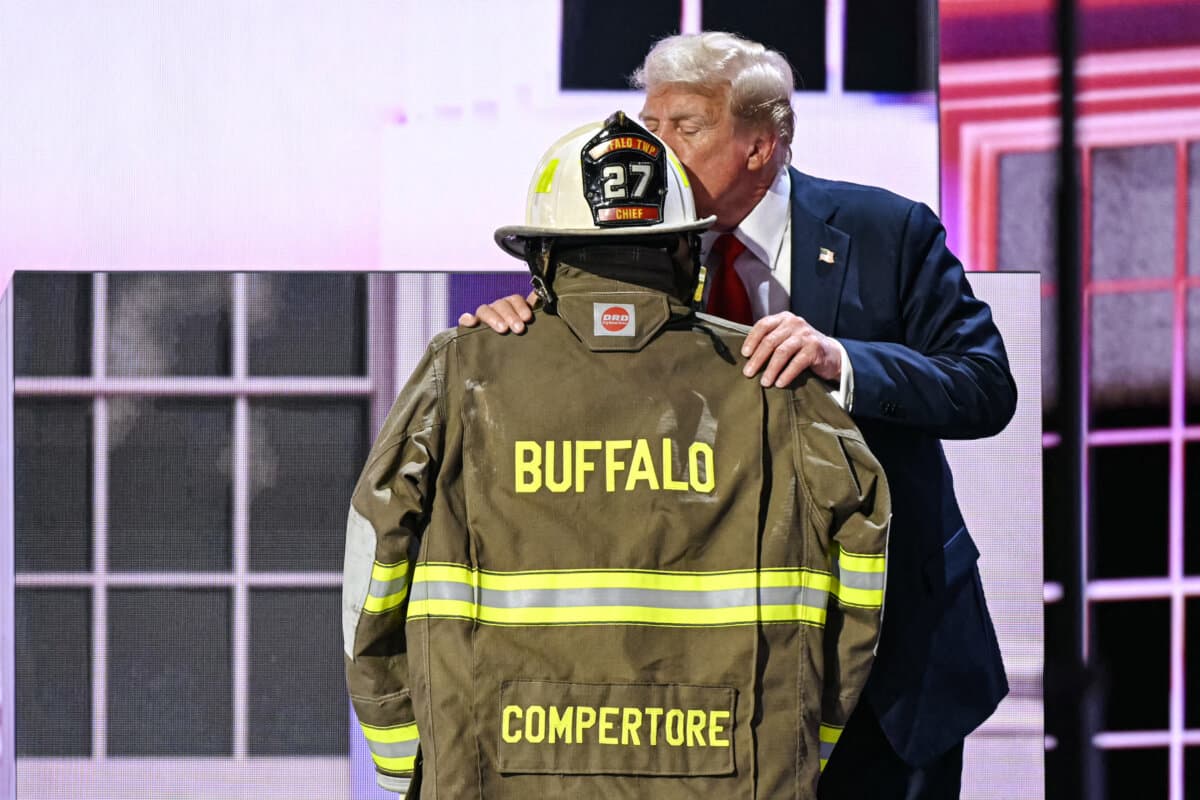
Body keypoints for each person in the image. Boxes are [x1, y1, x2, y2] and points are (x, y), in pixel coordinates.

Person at [460, 32, 1017, 799]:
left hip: (894, 666)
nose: (652, 151)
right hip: (712, 673)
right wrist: (519, 333)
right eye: (647, 127)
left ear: (761, 144)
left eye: (682, 128)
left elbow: (985, 384)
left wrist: (843, 360)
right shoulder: (612, 249)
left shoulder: (891, 232)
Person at [344, 111, 890, 798]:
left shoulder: (461, 374)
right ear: (689, 255)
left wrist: (405, 763)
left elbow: (372, 565)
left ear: (542, 257)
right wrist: (801, 737)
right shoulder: (776, 382)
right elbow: (862, 579)